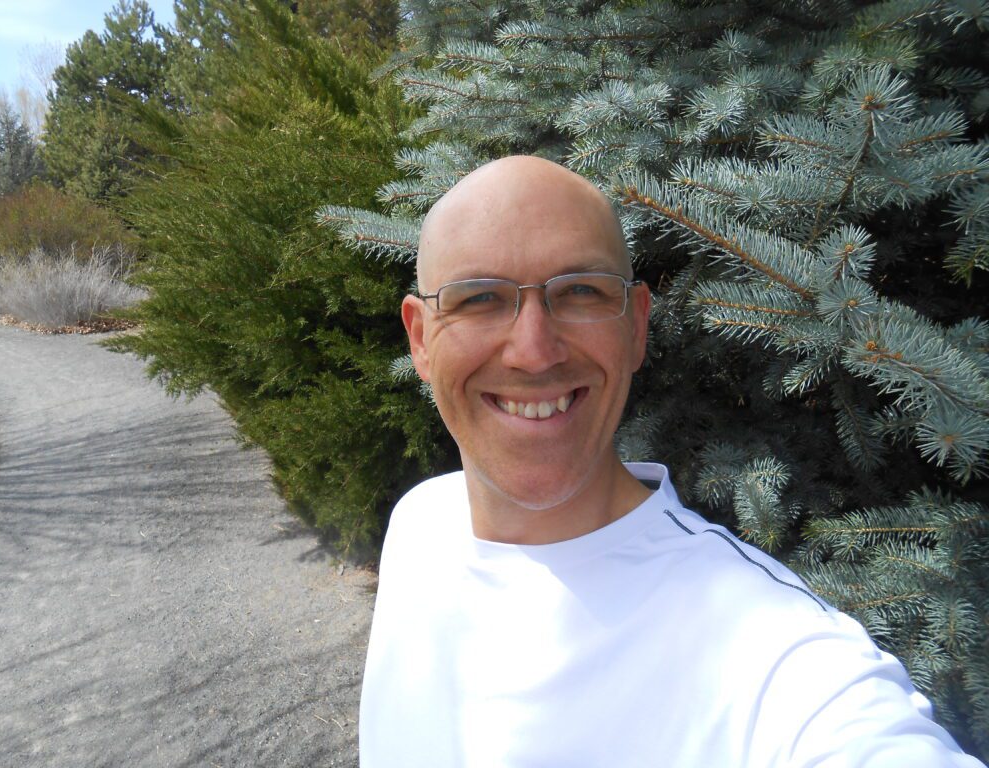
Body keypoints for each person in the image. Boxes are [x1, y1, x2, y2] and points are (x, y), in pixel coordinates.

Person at [359, 155, 985, 767]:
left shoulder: (767, 651)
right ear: (420, 338)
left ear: (636, 326)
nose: (533, 351)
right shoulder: (420, 524)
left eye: (579, 291)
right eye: (479, 299)